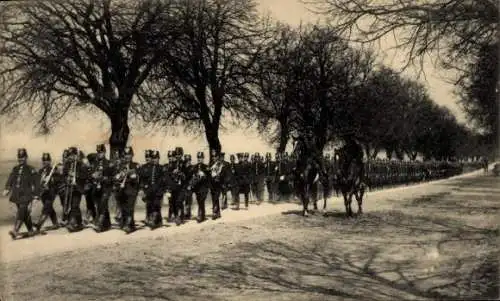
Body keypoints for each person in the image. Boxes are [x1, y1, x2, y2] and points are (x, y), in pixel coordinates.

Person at [3, 148, 40, 239]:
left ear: (26, 157)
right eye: (19, 157)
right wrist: (7, 188)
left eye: (23, 157)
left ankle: (15, 230)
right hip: (16, 195)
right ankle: (31, 230)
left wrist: (36, 195)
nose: (21, 159)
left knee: (22, 210)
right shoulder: (15, 169)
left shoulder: (31, 169)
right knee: (24, 213)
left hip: (26, 195)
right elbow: (11, 179)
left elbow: (37, 183)